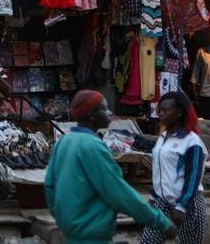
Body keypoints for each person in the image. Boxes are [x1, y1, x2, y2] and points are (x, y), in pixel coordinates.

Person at [44, 89, 177, 243]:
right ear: (91, 115)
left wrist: (63, 220)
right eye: (104, 108)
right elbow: (119, 192)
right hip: (92, 234)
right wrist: (161, 222)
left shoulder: (65, 142)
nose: (109, 113)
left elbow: (49, 185)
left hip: (71, 233)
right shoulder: (93, 146)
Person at [141, 91, 207, 244]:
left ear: (179, 113)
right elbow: (159, 171)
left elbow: (193, 179)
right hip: (162, 202)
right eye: (160, 110)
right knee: (148, 241)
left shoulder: (192, 142)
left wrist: (182, 207)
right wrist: (152, 197)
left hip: (188, 204)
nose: (160, 114)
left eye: (166, 110)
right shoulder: (163, 138)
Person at [190, 46, 210, 118]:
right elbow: (196, 71)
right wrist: (194, 90)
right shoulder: (201, 52)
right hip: (205, 94)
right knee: (204, 122)